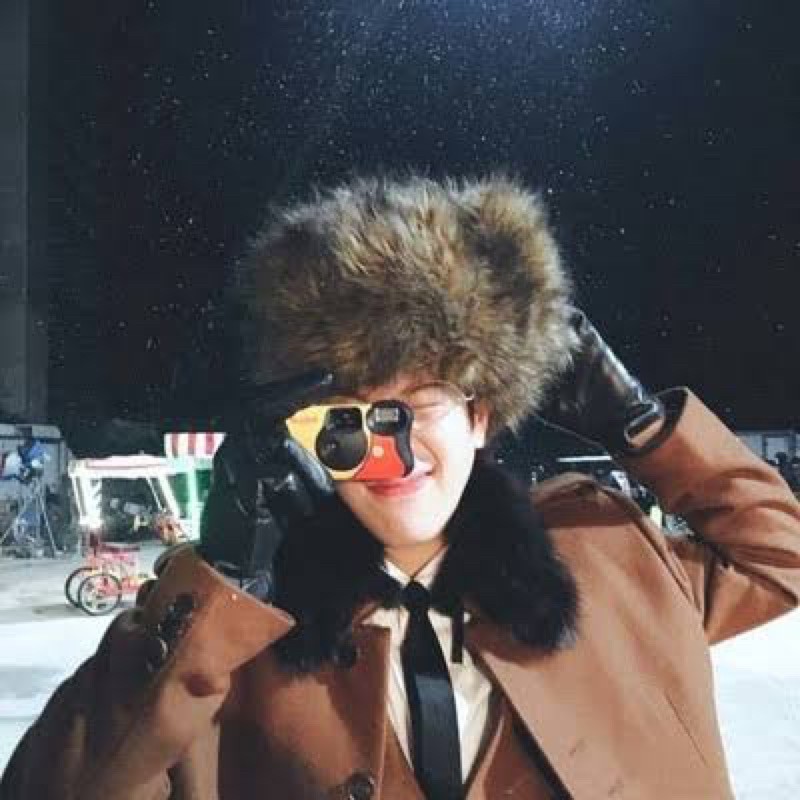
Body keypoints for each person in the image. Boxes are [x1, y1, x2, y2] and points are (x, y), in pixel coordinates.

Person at [3, 175, 799, 800]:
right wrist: (216, 583)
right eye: (348, 421)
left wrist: (644, 427)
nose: (394, 452)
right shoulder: (241, 645)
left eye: (417, 405)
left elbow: (781, 554)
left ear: (481, 416)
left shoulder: (610, 556)